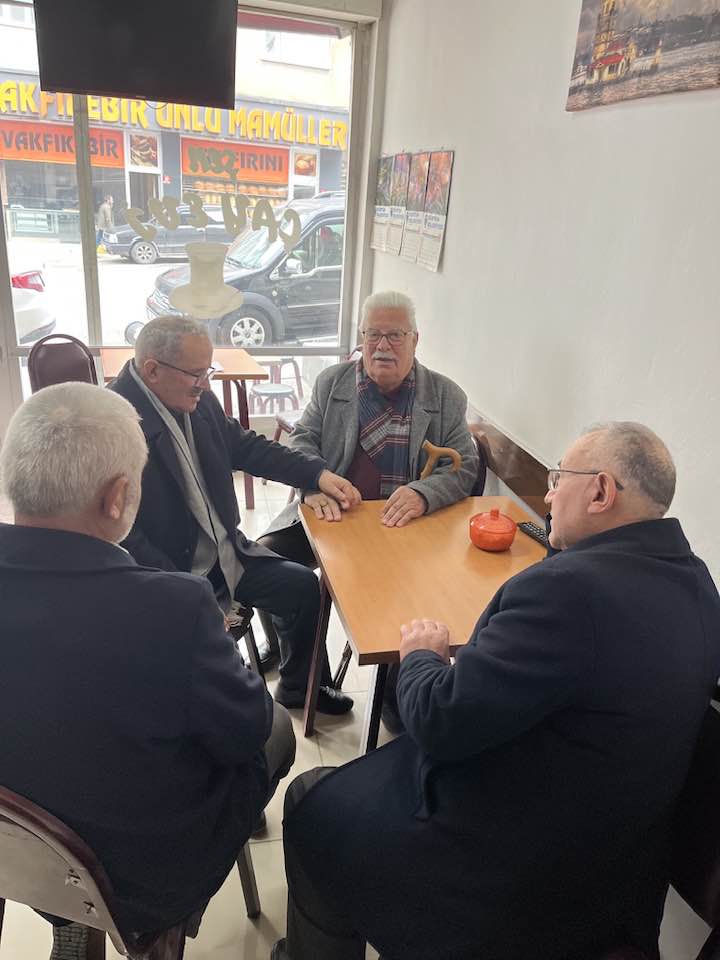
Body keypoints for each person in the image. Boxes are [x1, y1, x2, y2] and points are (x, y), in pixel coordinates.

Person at [273, 422, 720, 960]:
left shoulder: (567, 591)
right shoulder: (698, 584)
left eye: (558, 478)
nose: (548, 495)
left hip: (518, 870)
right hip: (620, 867)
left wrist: (421, 655)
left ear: (600, 491)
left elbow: (438, 720)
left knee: (312, 803)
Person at [0, 383, 296, 960]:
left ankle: (60, 907)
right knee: (275, 727)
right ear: (117, 498)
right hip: (133, 874)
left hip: (17, 835)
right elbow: (244, 732)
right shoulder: (173, 607)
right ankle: (132, 914)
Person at [110, 314, 358, 715]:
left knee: (302, 588)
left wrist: (316, 475)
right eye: (195, 374)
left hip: (227, 555)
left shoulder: (197, 400)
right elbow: (123, 536)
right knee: (220, 680)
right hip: (170, 572)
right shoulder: (113, 423)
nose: (205, 384)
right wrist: (185, 593)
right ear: (152, 370)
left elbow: (246, 447)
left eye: (207, 371)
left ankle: (298, 688)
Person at [260, 289, 478, 729]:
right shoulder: (333, 383)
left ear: (415, 339)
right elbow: (302, 440)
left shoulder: (445, 395)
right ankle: (302, 676)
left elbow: (465, 467)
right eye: (373, 334)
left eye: (395, 335)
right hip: (335, 516)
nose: (382, 346)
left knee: (412, 590)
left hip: (407, 527)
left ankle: (399, 693)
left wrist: (424, 493)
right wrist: (315, 481)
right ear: (361, 337)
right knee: (266, 557)